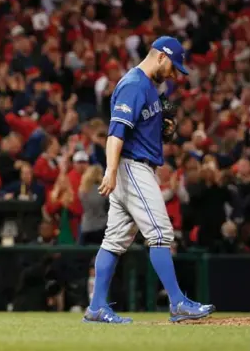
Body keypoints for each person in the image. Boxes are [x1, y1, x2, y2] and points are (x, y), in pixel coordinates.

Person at [85, 36, 215, 324]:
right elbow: (115, 133)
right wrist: (109, 169)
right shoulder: (134, 85)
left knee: (114, 240)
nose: (173, 74)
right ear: (160, 56)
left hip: (134, 166)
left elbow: (137, 129)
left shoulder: (148, 87)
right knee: (160, 234)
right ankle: (178, 302)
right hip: (132, 167)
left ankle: (96, 308)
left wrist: (161, 129)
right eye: (172, 67)